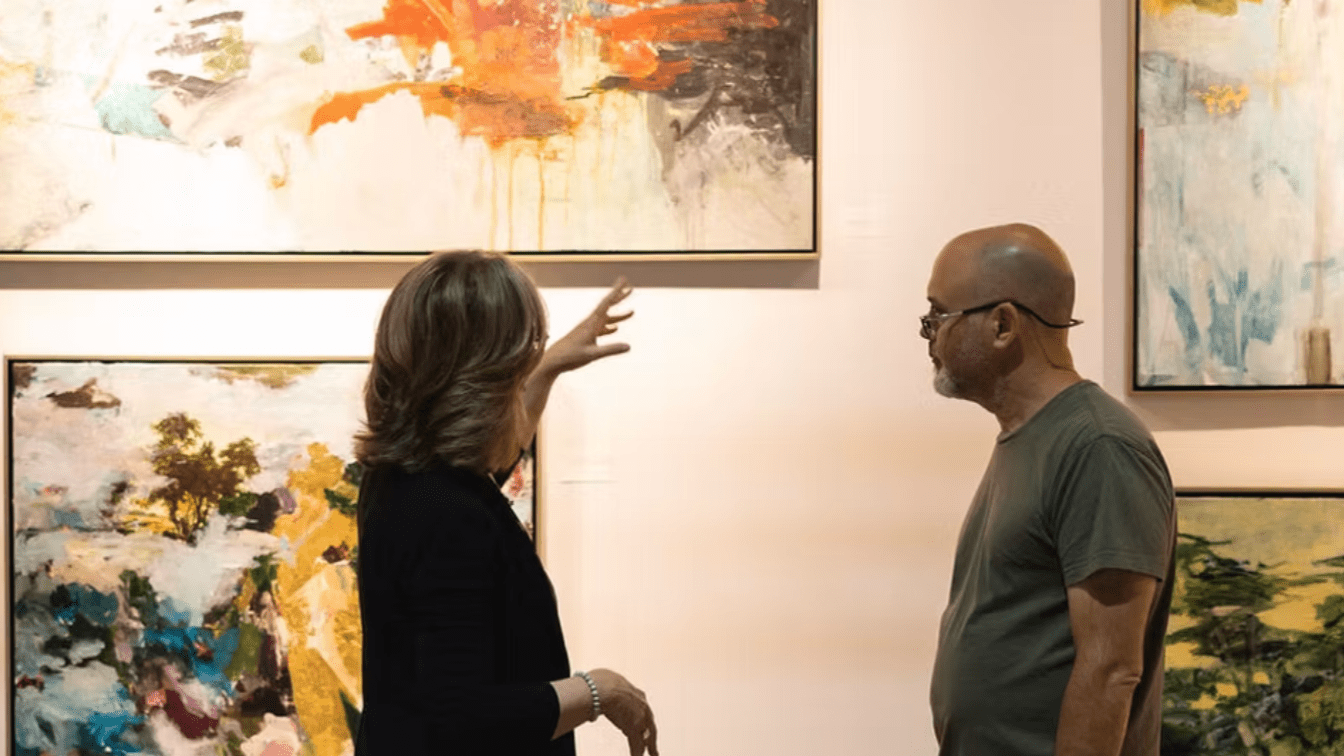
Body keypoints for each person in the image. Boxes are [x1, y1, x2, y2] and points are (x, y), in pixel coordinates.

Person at [352, 251, 659, 756]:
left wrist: (549, 366)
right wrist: (598, 690)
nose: (529, 360)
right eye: (522, 353)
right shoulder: (448, 516)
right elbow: (462, 719)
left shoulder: (402, 479)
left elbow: (485, 460)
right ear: (485, 373)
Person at [923, 224, 1176, 756]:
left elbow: (1111, 669)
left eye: (938, 317)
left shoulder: (1098, 446)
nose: (930, 337)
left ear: (1002, 324)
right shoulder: (1030, 437)